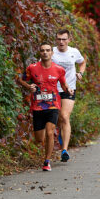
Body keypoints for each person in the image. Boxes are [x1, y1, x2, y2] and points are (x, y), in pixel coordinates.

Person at [19, 42, 73, 171]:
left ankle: (47, 161)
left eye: (48, 50)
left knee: (50, 132)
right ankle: (45, 153)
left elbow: (64, 85)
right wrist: (28, 86)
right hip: (37, 107)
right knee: (39, 139)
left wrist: (68, 90)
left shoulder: (59, 69)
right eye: (42, 50)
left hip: (53, 105)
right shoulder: (32, 68)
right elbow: (20, 79)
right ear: (40, 53)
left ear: (52, 53)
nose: (45, 53)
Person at [52, 29, 86, 163]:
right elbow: (41, 66)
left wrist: (80, 74)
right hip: (53, 90)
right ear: (56, 40)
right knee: (58, 118)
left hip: (69, 89)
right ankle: (60, 138)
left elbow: (82, 62)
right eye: (59, 39)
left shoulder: (74, 52)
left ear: (69, 40)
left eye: (64, 39)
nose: (61, 42)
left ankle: (64, 150)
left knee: (65, 116)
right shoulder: (51, 52)